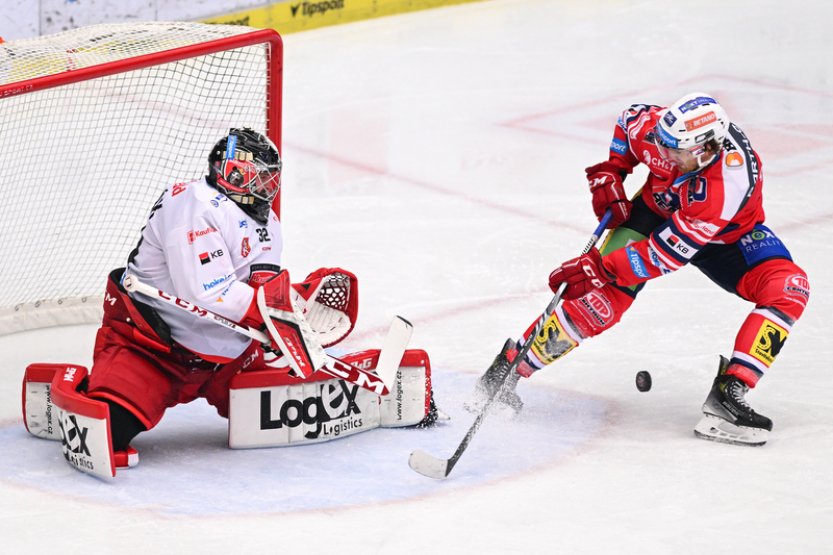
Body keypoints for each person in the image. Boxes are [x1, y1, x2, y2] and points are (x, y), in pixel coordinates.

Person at [24, 128, 438, 473]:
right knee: (109, 427)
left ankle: (369, 391)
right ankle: (73, 388)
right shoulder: (192, 204)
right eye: (255, 178)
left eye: (270, 179)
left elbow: (261, 284)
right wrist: (270, 312)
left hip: (228, 356)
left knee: (297, 408)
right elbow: (208, 291)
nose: (265, 188)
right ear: (230, 173)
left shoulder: (267, 222)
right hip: (151, 347)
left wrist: (285, 312)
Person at [473, 93, 810, 446]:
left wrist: (599, 268)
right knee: (599, 305)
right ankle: (507, 370)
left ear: (706, 150)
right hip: (654, 214)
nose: (664, 157)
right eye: (662, 147)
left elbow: (666, 255)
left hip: (724, 239)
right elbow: (628, 120)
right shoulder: (663, 133)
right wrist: (613, 171)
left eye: (675, 153)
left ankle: (730, 393)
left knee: (789, 288)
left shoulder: (725, 185)